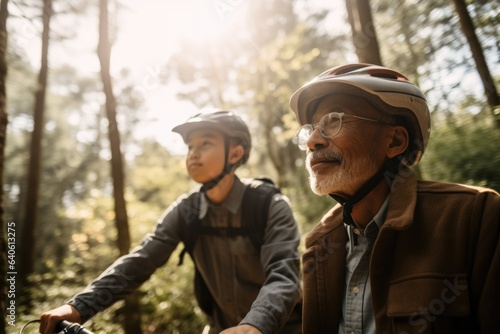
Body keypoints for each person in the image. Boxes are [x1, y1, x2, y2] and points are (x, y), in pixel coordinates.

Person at [39, 109, 302, 334]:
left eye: (205, 144)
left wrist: (255, 325)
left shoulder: (268, 205)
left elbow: (284, 274)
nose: (193, 154)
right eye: (190, 147)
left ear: (235, 154)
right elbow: (141, 261)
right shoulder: (186, 211)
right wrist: (78, 307)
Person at [288, 63, 500, 333]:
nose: (312, 141)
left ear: (394, 142)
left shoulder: (475, 216)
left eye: (333, 120)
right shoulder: (320, 243)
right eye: (312, 128)